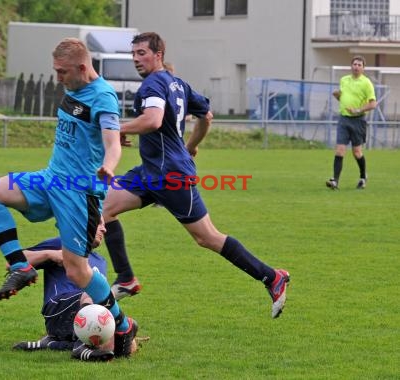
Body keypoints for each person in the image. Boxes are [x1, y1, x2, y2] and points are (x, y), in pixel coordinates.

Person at [103, 32, 290, 319]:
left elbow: (152, 120)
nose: (136, 59)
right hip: (151, 172)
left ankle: (271, 277)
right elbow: (207, 116)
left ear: (159, 54)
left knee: (207, 238)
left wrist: (117, 130)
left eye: (142, 53)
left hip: (170, 176)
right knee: (102, 208)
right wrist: (191, 145)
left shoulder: (153, 83)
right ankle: (126, 278)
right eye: (134, 54)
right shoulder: (178, 84)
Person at [0, 37, 138, 357]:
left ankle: (121, 324)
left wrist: (108, 165)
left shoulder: (103, 97)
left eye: (63, 72)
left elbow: (114, 141)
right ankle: (21, 267)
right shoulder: (72, 87)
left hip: (78, 191)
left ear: (82, 67)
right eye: (56, 71)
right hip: (50, 178)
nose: (58, 78)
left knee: (78, 271)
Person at [12, 219, 138, 361]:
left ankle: (53, 343)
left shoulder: (100, 260)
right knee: (92, 294)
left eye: (104, 225)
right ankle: (81, 347)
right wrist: (50, 255)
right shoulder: (63, 244)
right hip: (57, 309)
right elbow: (14, 260)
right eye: (99, 224)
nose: (104, 229)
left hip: (80, 317)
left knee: (125, 344)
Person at [326, 55, 377, 190]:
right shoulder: (344, 80)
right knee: (340, 150)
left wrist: (358, 110)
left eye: (359, 65)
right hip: (344, 119)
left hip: (358, 120)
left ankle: (362, 177)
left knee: (357, 152)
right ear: (351, 66)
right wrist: (338, 96)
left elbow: (373, 104)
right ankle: (335, 181)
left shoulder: (366, 83)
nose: (356, 67)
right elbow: (343, 98)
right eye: (354, 64)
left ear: (363, 68)